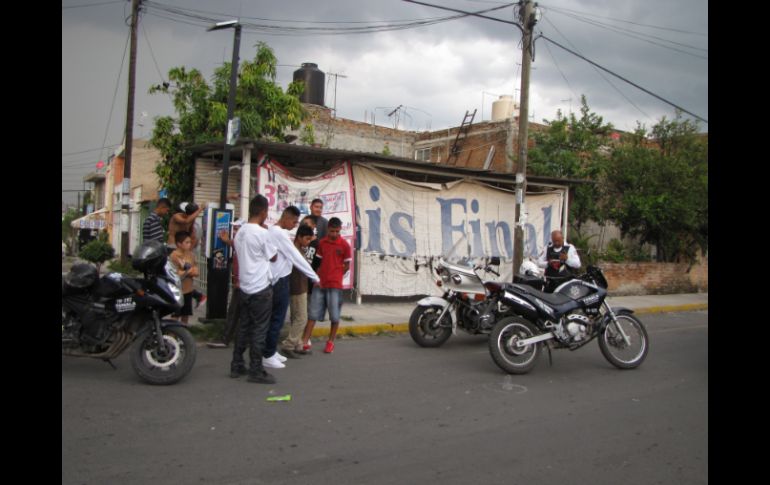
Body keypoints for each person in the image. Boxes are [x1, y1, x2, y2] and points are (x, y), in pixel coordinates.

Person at [263, 206, 320, 369]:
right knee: (277, 319)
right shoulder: (279, 233)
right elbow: (296, 258)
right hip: (279, 281)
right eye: (294, 222)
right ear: (286, 218)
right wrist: (314, 276)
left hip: (278, 279)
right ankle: (268, 354)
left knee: (276, 319)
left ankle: (270, 351)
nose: (295, 225)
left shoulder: (274, 231)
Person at [230, 195, 278, 384]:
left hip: (245, 287)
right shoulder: (262, 233)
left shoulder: (240, 232)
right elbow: (273, 257)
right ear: (264, 212)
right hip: (260, 288)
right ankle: (256, 369)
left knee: (244, 326)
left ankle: (236, 364)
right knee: (260, 329)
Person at [301, 217, 351, 354]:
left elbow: (347, 265)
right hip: (320, 285)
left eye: (336, 231)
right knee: (312, 314)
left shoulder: (345, 245)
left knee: (334, 316)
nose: (334, 234)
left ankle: (330, 342)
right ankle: (305, 341)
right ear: (328, 229)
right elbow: (317, 263)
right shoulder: (322, 243)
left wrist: (338, 273)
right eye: (331, 231)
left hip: (335, 286)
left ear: (340, 229)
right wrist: (317, 278)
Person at [206, 219, 244, 349]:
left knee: (234, 311)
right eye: (234, 228)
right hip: (242, 282)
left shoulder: (242, 242)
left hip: (242, 283)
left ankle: (226, 339)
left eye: (237, 228)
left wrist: (238, 280)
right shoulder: (239, 242)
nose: (234, 231)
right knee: (239, 312)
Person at [280, 224, 316, 356]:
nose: (308, 242)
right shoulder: (294, 250)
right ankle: (289, 345)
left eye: (310, 240)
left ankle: (298, 344)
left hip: (301, 287)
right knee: (302, 318)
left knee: (297, 318)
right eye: (306, 239)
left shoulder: (300, 249)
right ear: (299, 237)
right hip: (297, 288)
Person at [169, 231, 199, 325]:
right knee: (176, 315)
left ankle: (183, 335)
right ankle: (172, 335)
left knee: (185, 315)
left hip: (188, 289)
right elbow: (175, 272)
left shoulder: (191, 255)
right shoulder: (174, 256)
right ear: (179, 244)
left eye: (190, 242)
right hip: (177, 290)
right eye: (186, 242)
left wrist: (188, 271)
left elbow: (196, 271)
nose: (189, 244)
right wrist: (188, 271)